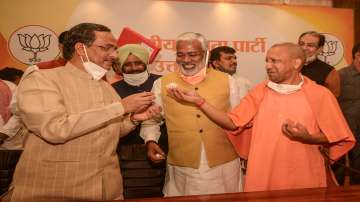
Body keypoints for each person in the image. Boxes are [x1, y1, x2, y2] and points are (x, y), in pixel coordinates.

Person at [168, 42, 355, 192]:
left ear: (296, 63)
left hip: (304, 176)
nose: (268, 66)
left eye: (275, 61)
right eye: (267, 60)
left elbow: (337, 135)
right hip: (263, 174)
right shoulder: (260, 91)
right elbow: (233, 123)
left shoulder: (319, 94)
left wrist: (308, 137)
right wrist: (200, 102)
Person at [5, 23, 161, 201]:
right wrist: (121, 108)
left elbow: (109, 132)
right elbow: (54, 129)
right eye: (106, 48)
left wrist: (133, 119)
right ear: (80, 48)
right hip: (54, 189)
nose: (115, 55)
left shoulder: (105, 86)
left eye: (115, 49)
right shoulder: (42, 80)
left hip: (106, 188)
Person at [143, 32, 243, 196]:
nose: (186, 60)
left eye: (192, 54)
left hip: (224, 165)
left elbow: (238, 120)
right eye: (180, 54)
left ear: (206, 54)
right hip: (182, 167)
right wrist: (150, 141)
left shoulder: (227, 81)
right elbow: (151, 120)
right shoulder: (161, 83)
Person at [112, 44, 167, 198]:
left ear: (145, 63)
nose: (134, 67)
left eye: (138, 63)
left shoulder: (161, 83)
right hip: (127, 156)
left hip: (163, 149)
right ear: (119, 66)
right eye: (127, 64)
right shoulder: (112, 89)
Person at [337, 42, 360, 185]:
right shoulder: (340, 75)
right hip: (342, 127)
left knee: (358, 163)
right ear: (356, 56)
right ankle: (335, 191)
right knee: (338, 162)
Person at [298, 31, 340, 97]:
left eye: (310, 45)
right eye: (301, 44)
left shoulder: (329, 71)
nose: (304, 48)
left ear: (320, 49)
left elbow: (332, 98)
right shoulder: (287, 66)